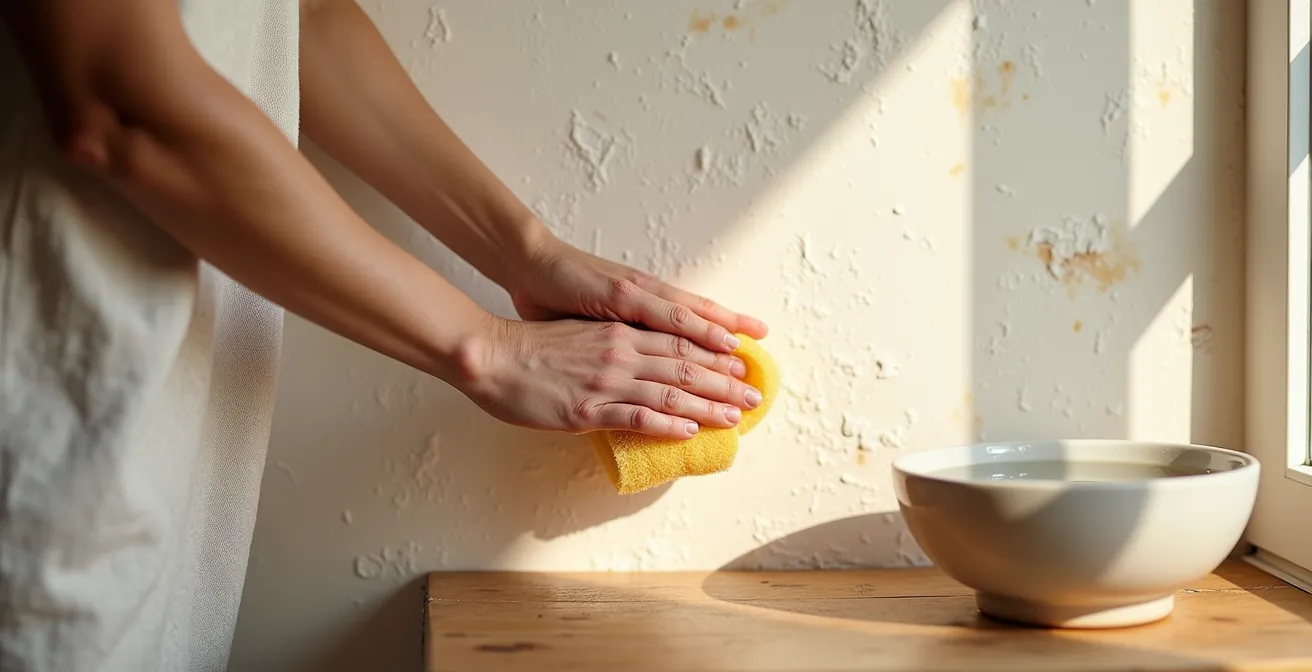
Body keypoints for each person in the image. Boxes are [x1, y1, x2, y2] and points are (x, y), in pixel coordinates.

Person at [0, 1, 769, 670]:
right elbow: (116, 97)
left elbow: (306, 16)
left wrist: (527, 253)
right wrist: (486, 348)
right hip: (48, 391)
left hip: (172, 389)